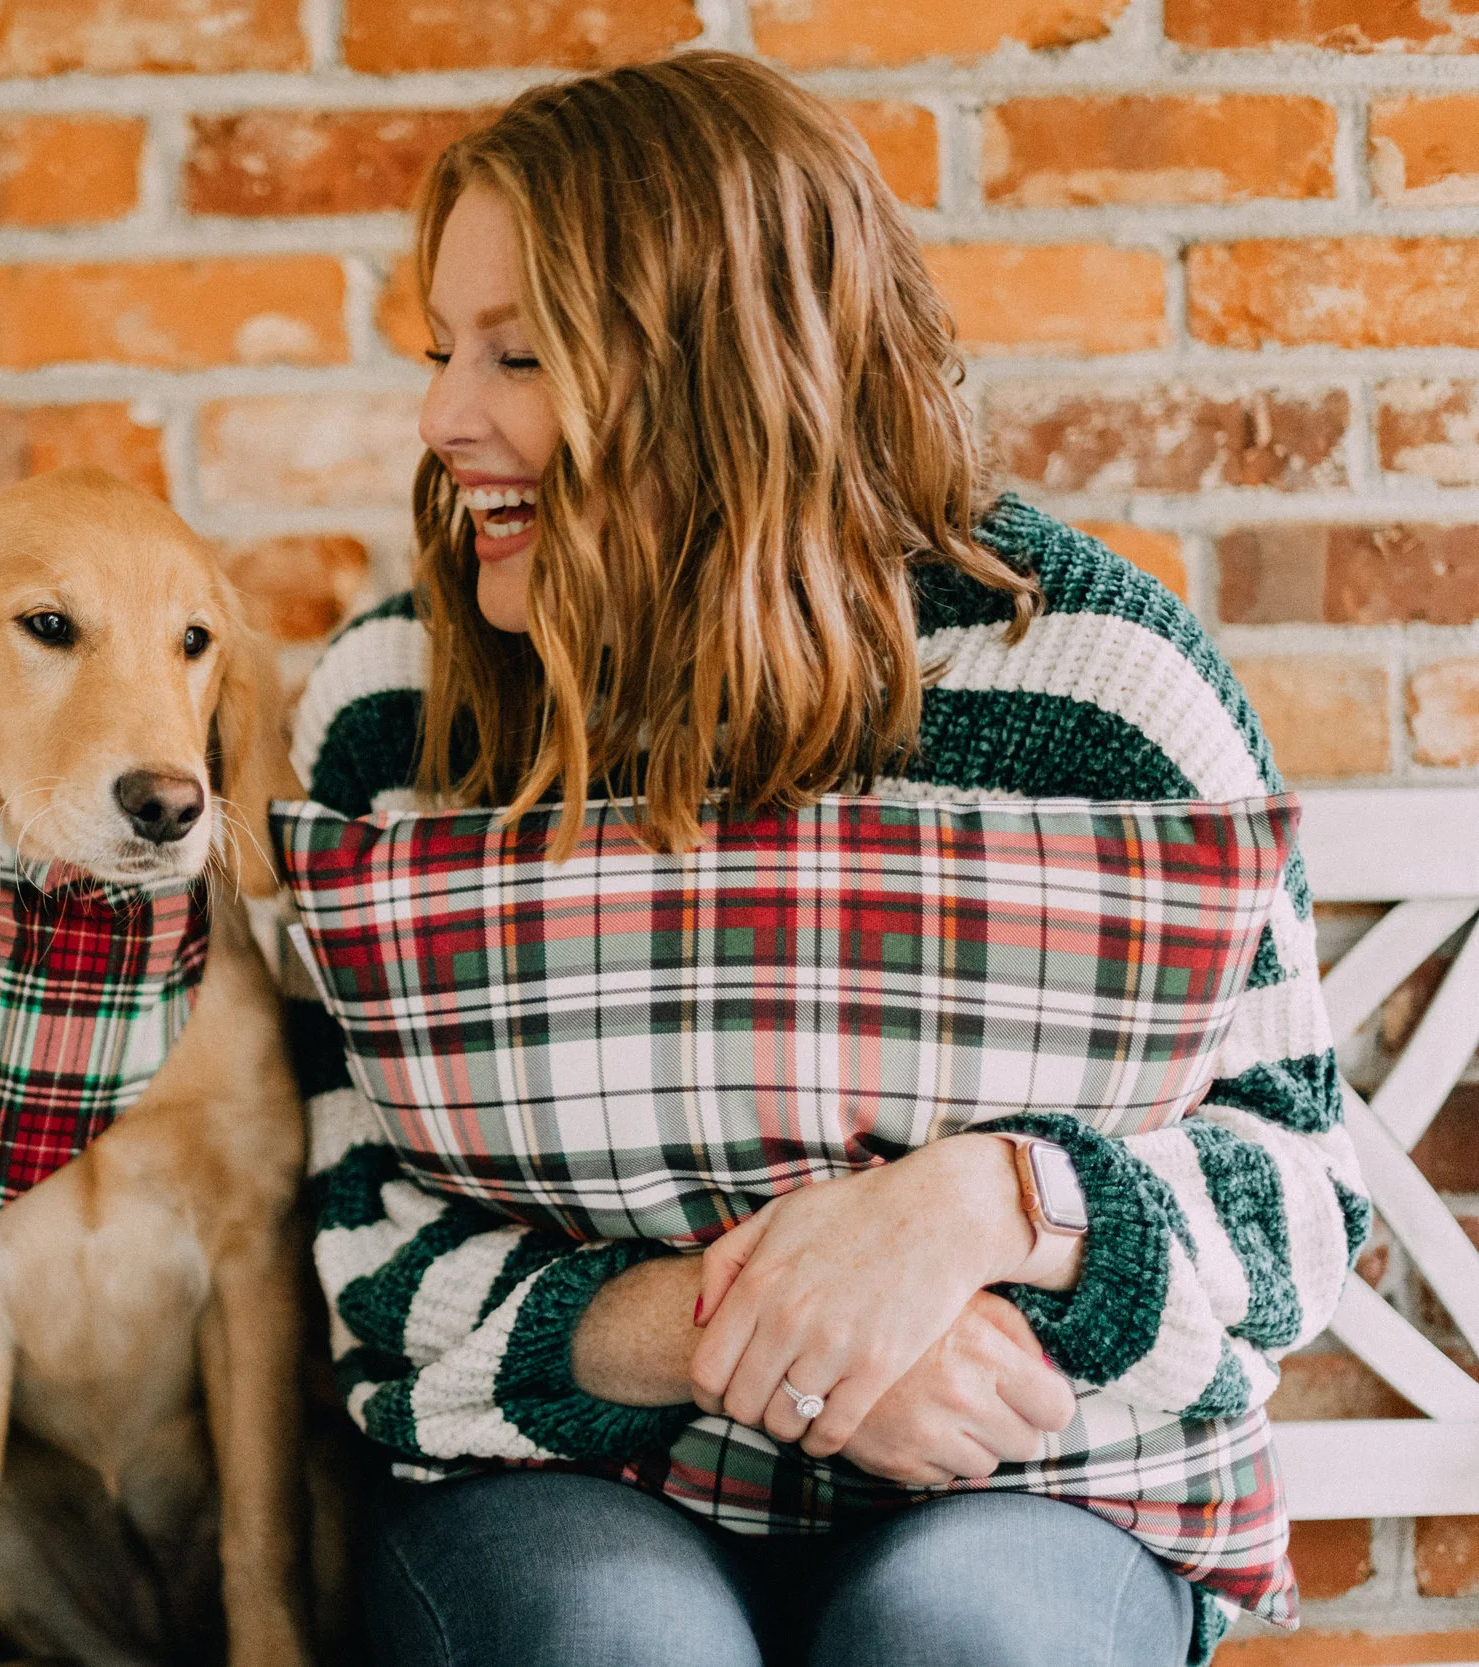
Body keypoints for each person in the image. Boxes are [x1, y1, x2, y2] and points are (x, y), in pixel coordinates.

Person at [288, 52, 1361, 1667]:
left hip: (1023, 1483)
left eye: (518, 353)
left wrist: (981, 1211)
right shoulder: (397, 720)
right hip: (567, 1477)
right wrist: (760, 1326)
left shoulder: (1095, 691)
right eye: (444, 349)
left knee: (967, 1641)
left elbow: (1301, 1200)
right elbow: (360, 1228)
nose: (445, 418)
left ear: (721, 370)